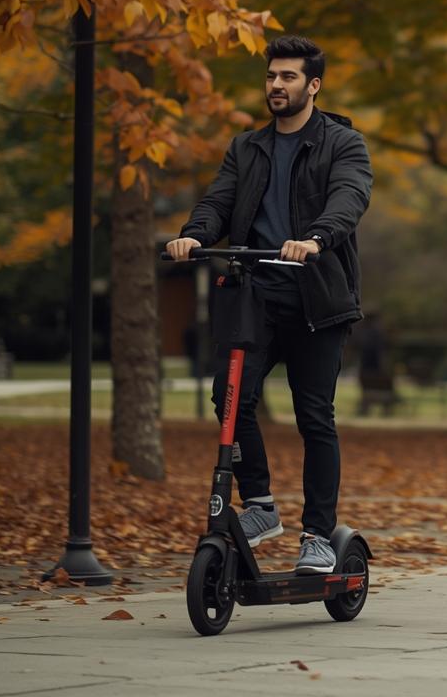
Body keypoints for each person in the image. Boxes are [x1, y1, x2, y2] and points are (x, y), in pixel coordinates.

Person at [166, 35, 372, 573]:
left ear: (313, 85)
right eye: (271, 77)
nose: (276, 86)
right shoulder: (248, 146)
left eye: (288, 77)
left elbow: (349, 198)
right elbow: (219, 200)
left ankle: (319, 536)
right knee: (230, 399)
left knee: (314, 418)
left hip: (316, 297)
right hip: (254, 294)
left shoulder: (342, 144)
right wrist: (194, 235)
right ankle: (258, 504)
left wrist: (318, 238)